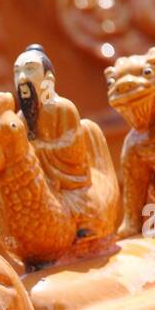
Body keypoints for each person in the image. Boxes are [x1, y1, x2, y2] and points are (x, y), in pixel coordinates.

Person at [13, 44, 100, 237]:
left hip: (66, 181)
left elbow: (72, 148)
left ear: (48, 78)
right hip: (37, 183)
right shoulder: (20, 118)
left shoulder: (63, 108)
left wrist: (37, 149)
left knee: (78, 208)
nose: (22, 78)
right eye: (17, 72)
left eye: (30, 69)